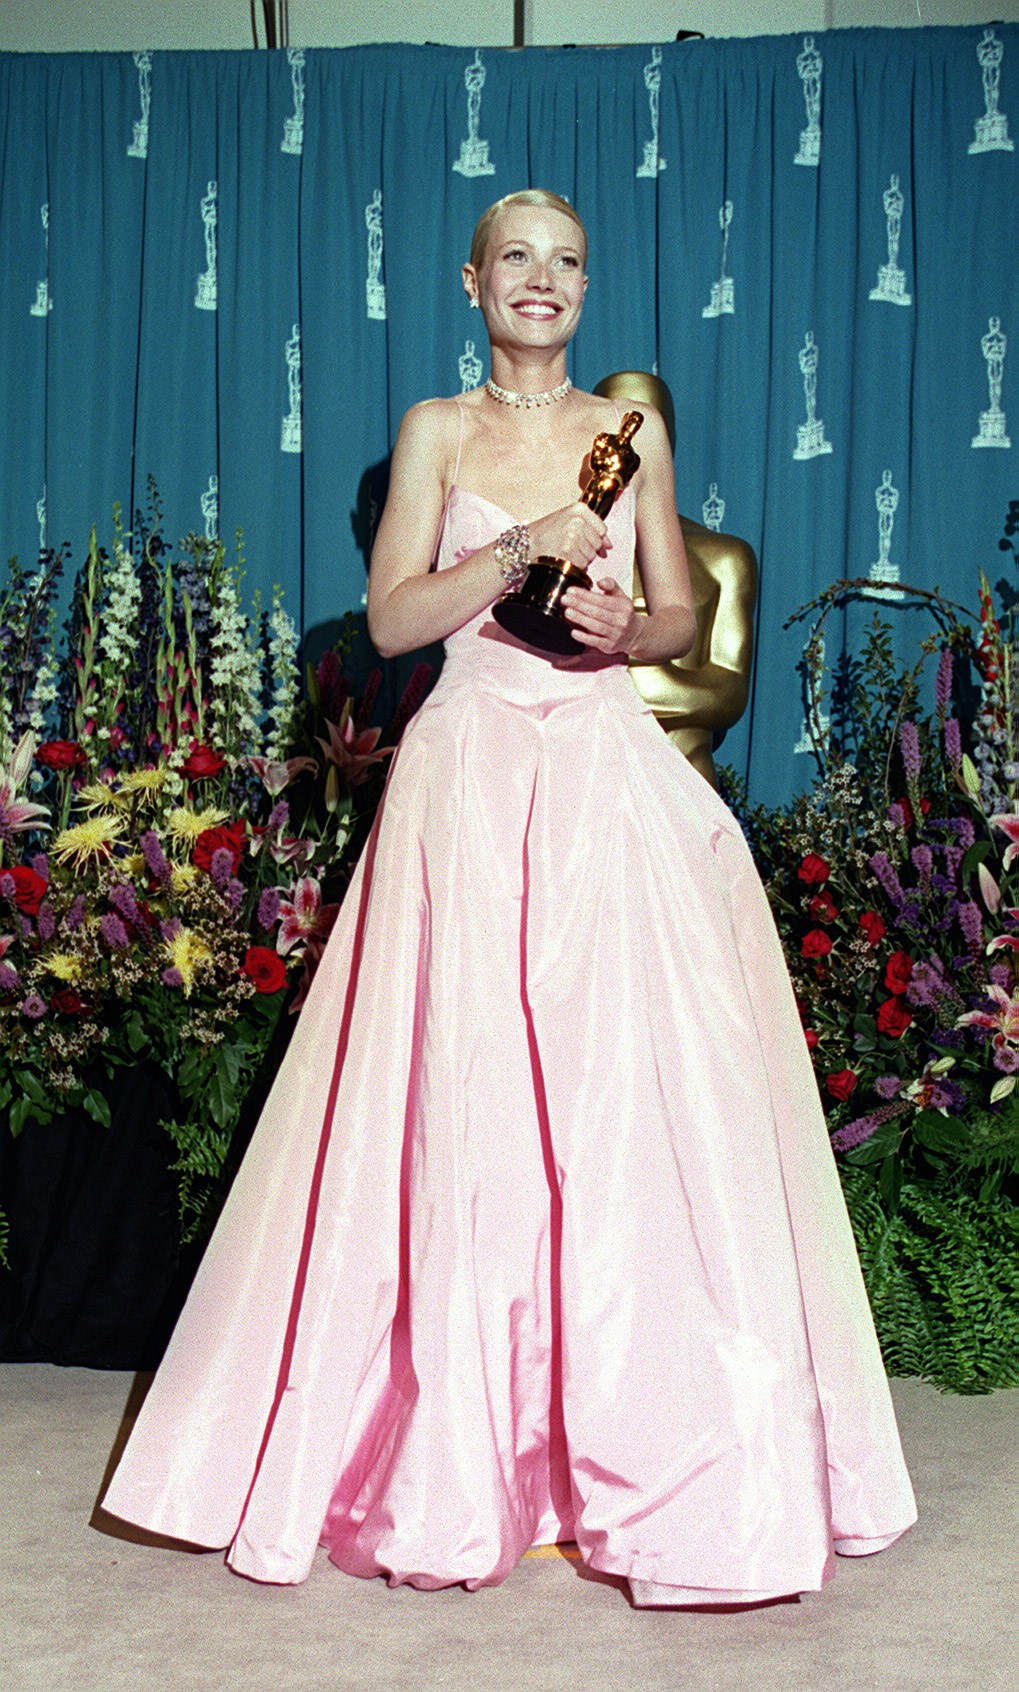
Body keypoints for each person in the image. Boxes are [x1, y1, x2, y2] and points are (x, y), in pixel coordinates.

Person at [101, 189, 916, 1607]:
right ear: (470, 280)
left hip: (599, 774)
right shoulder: (434, 430)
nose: (541, 281)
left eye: (567, 262)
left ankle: (646, 1448)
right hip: (471, 773)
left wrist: (624, 622)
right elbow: (391, 619)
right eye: (515, 260)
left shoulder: (629, 432)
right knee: (462, 1102)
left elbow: (673, 615)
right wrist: (518, 548)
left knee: (626, 1101)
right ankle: (466, 1453)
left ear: (584, 288)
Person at [595, 369, 758, 790]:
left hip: (685, 781)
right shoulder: (558, 547)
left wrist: (620, 681)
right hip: (582, 779)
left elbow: (727, 694)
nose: (626, 445)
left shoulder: (724, 558)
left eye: (646, 429)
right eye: (611, 429)